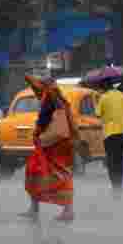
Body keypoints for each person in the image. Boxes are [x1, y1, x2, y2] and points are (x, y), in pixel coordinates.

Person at [20, 75, 76, 222]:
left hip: (50, 143)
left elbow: (44, 119)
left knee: (37, 171)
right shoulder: (59, 98)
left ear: (44, 86)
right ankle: (39, 208)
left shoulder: (50, 97)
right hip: (60, 142)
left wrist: (37, 132)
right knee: (56, 173)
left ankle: (61, 210)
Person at [95, 81, 123, 198]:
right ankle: (119, 186)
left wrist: (98, 101)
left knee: (111, 161)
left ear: (104, 87)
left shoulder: (103, 97)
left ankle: (115, 187)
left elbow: (97, 114)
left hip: (110, 134)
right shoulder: (122, 96)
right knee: (119, 160)